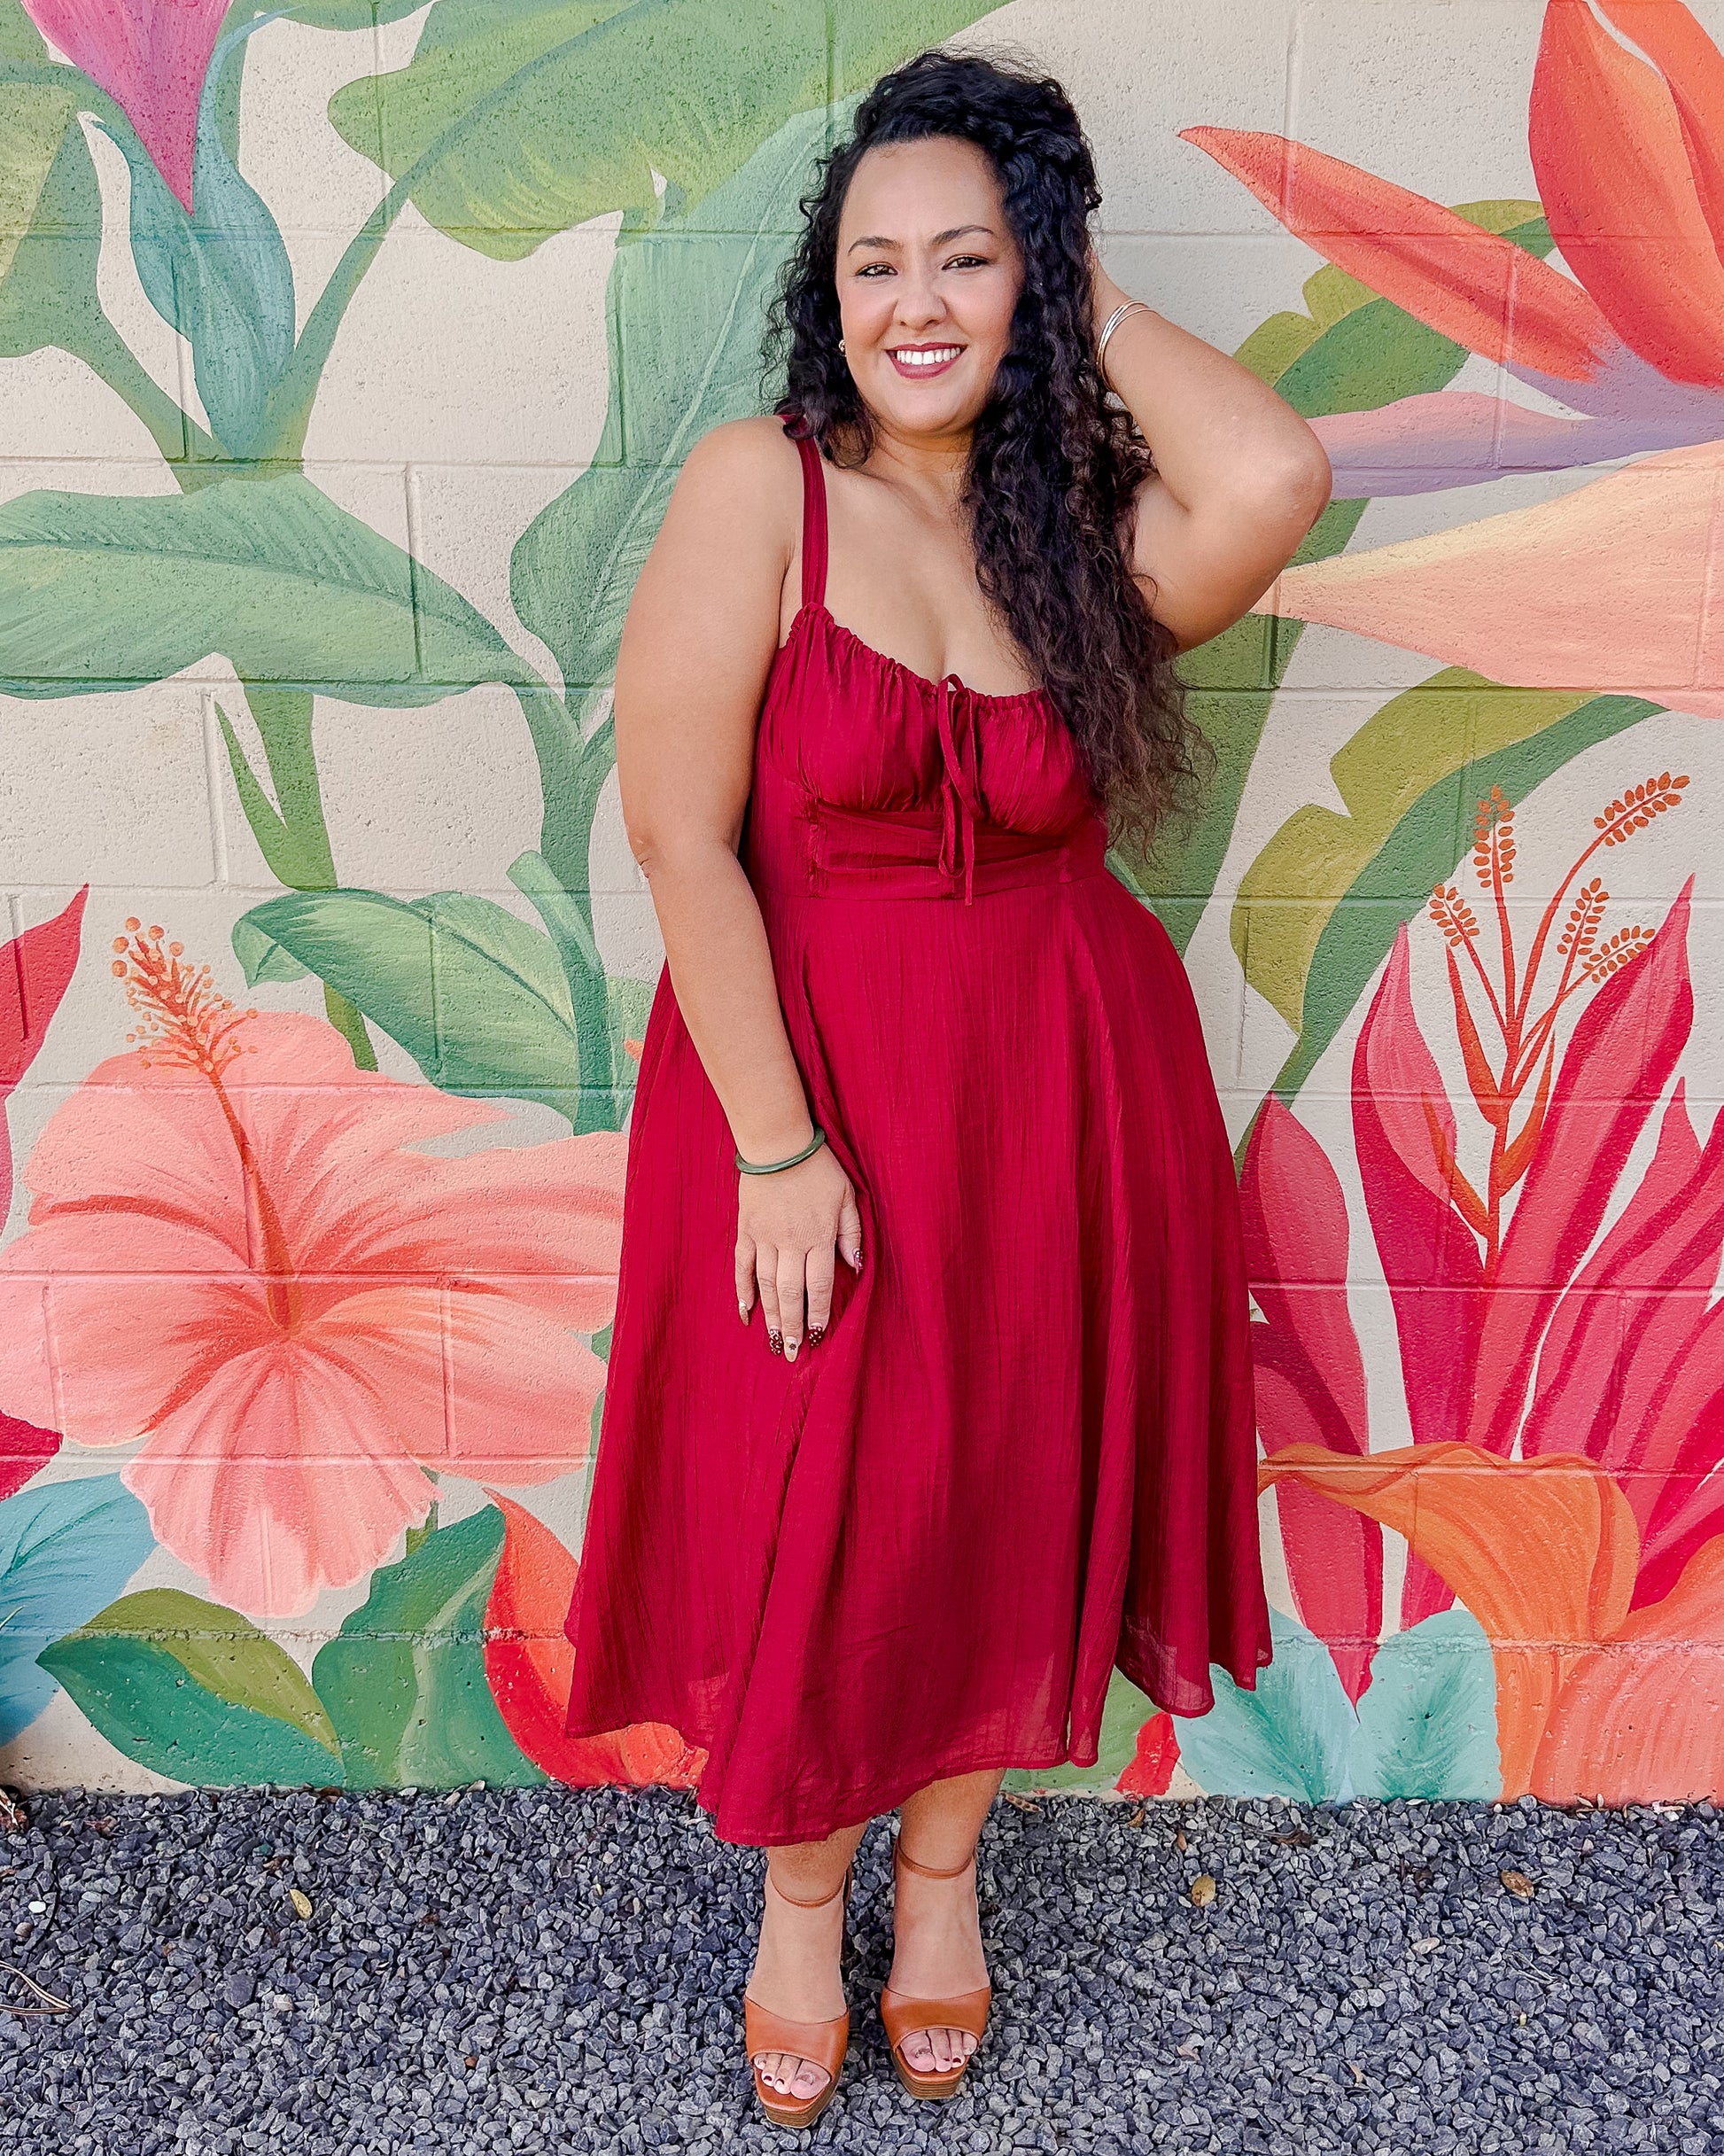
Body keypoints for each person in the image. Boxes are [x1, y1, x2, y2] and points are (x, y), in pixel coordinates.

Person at [561, 45, 1331, 2131]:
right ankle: (798, 1899)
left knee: (999, 1485)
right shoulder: (763, 489)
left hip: (1065, 1091)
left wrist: (1064, 285)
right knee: (829, 1506)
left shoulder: (1067, 528)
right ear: (824, 295)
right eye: (875, 263)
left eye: (968, 259)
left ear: (1035, 278)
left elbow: (1270, 478)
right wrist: (777, 1145)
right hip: (810, 1090)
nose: (916, 302)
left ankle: (942, 1883)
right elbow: (677, 834)